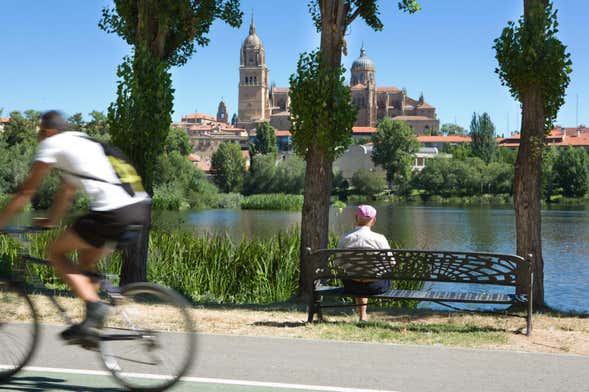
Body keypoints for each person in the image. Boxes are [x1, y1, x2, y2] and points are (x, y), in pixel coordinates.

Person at [0, 110, 151, 344]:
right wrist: (50, 221)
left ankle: (95, 308)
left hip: (113, 210)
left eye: (40, 132)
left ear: (48, 131)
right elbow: (66, 192)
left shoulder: (52, 144)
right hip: (138, 208)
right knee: (85, 260)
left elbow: (26, 192)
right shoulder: (82, 141)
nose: (39, 137)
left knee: (55, 252)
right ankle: (90, 325)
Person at [337, 205, 392, 322]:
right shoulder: (380, 239)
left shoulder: (345, 237)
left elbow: (339, 262)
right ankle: (363, 316)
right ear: (374, 220)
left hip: (351, 286)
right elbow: (391, 263)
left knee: (357, 275)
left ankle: (363, 316)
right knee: (372, 275)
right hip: (376, 287)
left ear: (356, 218)